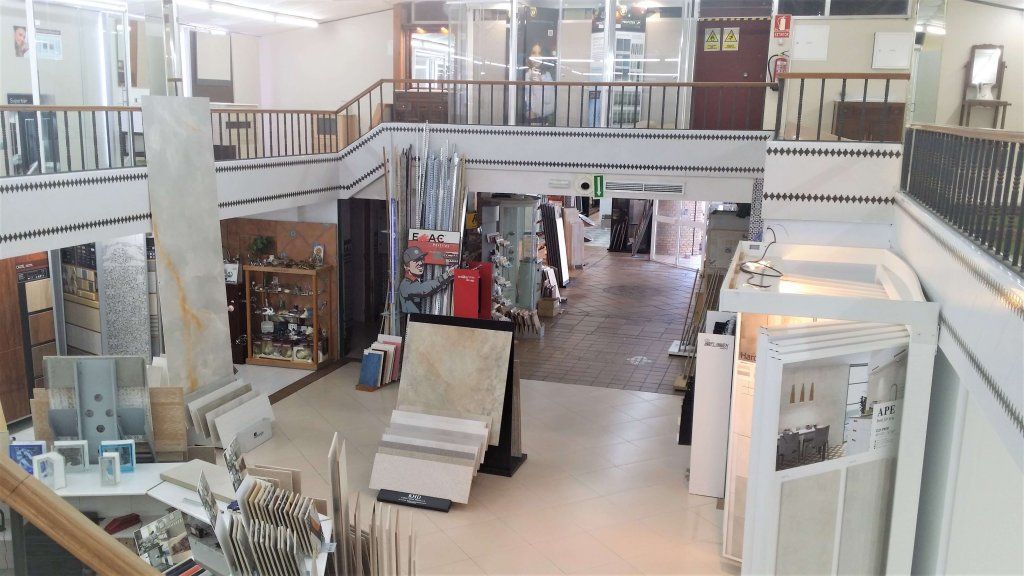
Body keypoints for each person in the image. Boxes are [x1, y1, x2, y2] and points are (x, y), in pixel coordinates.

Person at [398, 246, 454, 314]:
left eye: (421, 259)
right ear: (406, 267)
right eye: (416, 261)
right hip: (412, 321)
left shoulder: (415, 281)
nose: (421, 263)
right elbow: (424, 289)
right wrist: (447, 275)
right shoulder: (405, 285)